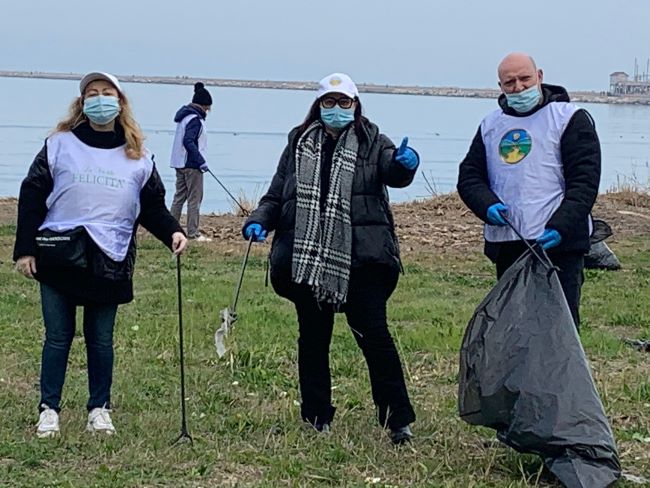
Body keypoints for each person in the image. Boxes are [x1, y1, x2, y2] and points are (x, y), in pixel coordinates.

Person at [242, 73, 419, 444]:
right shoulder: (298, 144)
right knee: (312, 338)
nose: (336, 109)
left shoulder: (374, 142)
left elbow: (394, 173)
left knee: (374, 336)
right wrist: (259, 220)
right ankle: (316, 415)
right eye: (329, 102)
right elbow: (277, 195)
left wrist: (406, 162)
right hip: (308, 260)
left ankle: (397, 420)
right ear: (317, 106)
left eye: (344, 103)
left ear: (355, 105)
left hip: (364, 260)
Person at [13, 72, 188, 438]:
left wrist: (173, 231)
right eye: (92, 94)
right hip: (60, 256)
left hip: (110, 258)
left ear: (120, 102)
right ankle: (49, 409)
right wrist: (25, 249)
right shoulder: (58, 144)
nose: (99, 99)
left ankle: (99, 408)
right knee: (57, 337)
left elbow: (152, 205)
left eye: (106, 93)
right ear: (82, 103)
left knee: (101, 340)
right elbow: (32, 194)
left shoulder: (139, 155)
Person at [457, 52, 601, 329]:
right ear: (500, 87)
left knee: (559, 324)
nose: (518, 87)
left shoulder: (570, 118)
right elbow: (469, 177)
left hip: (557, 242)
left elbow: (584, 182)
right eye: (509, 82)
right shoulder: (491, 125)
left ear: (540, 76)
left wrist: (562, 225)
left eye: (524, 78)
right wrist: (486, 205)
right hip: (509, 241)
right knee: (514, 325)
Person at [170, 82, 213, 241]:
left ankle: (170, 229)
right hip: (192, 165)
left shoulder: (184, 117)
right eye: (208, 107)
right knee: (195, 198)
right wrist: (200, 161)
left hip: (179, 163)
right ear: (203, 105)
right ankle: (193, 233)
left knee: (179, 197)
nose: (208, 110)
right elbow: (189, 142)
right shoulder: (195, 119)